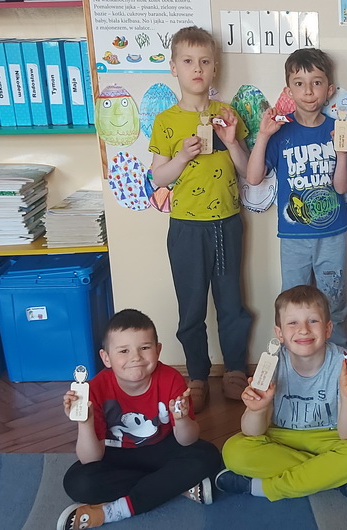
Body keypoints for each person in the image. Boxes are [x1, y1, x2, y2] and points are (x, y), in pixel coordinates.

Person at [148, 26, 253, 407]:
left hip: (227, 223)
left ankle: (235, 369)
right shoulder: (165, 121)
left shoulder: (227, 114)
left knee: (231, 303)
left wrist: (231, 141)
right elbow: (158, 177)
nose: (197, 68)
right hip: (186, 228)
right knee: (191, 306)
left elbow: (247, 169)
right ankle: (196, 375)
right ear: (173, 67)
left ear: (214, 68)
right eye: (189, 61)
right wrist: (181, 157)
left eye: (205, 62)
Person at [58, 310, 223, 530]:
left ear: (158, 350)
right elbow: (91, 459)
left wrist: (182, 419)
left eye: (144, 348)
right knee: (77, 482)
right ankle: (175, 485)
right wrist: (85, 422)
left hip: (161, 448)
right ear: (106, 358)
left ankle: (115, 510)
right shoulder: (95, 389)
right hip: (116, 454)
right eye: (123, 351)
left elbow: (187, 440)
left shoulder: (172, 379)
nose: (135, 357)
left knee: (207, 455)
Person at [216, 285, 347, 500]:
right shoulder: (270, 364)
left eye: (313, 321)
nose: (303, 330)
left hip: (329, 437)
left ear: (328, 329)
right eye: (293, 323)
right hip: (281, 437)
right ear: (279, 333)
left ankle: (262, 488)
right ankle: (328, 474)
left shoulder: (345, 363)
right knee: (234, 451)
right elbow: (252, 432)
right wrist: (257, 410)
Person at [245, 48, 347, 348]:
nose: (308, 91)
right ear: (289, 90)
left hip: (333, 234)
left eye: (316, 83)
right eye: (299, 83)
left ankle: (340, 364)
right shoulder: (280, 131)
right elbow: (253, 177)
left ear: (329, 89)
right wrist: (263, 135)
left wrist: (343, 153)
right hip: (293, 237)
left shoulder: (336, 129)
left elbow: (342, 188)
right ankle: (294, 363)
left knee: (335, 303)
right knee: (292, 305)